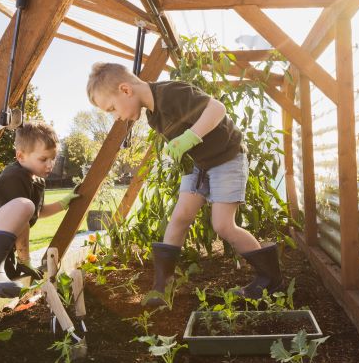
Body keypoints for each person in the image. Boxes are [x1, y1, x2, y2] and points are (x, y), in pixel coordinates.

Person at [86, 62, 283, 307]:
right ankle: (162, 287)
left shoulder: (170, 92)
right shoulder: (152, 116)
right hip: (200, 164)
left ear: (126, 90)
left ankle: (270, 279)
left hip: (227, 157)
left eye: (112, 108)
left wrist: (188, 138)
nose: (116, 116)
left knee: (222, 224)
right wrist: (182, 150)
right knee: (180, 217)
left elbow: (217, 109)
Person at [0, 120, 77, 297]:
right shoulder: (15, 175)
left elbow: (37, 212)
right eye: (43, 159)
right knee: (24, 206)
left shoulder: (36, 180)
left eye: (53, 158)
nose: (50, 165)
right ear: (20, 156)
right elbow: (23, 216)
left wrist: (64, 203)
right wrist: (25, 259)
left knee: (11, 284)